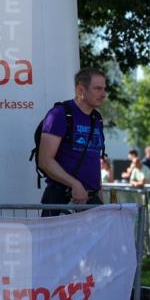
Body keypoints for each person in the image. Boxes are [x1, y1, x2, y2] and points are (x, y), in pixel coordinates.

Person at [36, 67, 107, 217]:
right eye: (97, 89)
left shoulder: (97, 118)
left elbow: (94, 161)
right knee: (56, 241)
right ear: (81, 89)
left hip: (91, 201)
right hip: (61, 199)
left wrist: (101, 199)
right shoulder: (59, 114)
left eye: (104, 89)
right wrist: (74, 184)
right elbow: (45, 160)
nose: (103, 94)